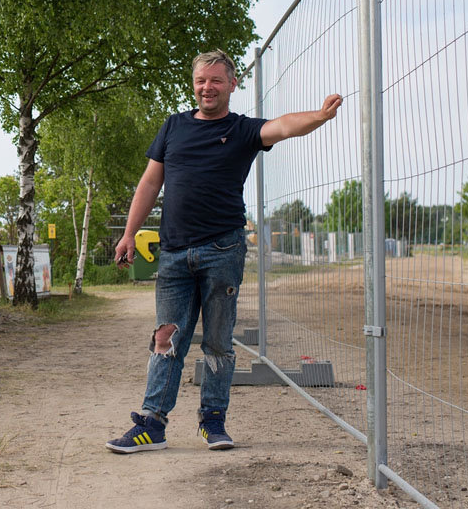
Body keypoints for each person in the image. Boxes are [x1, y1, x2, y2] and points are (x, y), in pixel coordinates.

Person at [106, 50, 342, 453]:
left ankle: (213, 420)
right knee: (166, 337)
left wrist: (318, 118)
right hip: (174, 253)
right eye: (201, 81)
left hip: (223, 250)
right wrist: (129, 233)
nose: (207, 88)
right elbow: (149, 184)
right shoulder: (173, 127)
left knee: (218, 341)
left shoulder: (243, 130)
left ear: (232, 85)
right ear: (193, 84)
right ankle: (152, 424)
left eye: (216, 80)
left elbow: (282, 126)